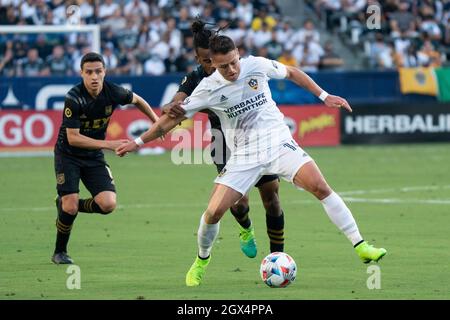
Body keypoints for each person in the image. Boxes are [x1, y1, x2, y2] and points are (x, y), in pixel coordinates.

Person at [116, 35, 387, 287]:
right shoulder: (208, 88)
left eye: (233, 62)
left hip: (279, 143)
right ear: (213, 64)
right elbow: (169, 121)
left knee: (320, 187)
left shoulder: (255, 65)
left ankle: (361, 246)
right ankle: (202, 259)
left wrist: (325, 96)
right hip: (243, 155)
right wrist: (137, 142)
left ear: (238, 55)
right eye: (223, 66)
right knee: (213, 213)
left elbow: (292, 72)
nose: (231, 70)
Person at [161, 20, 286, 258]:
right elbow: (175, 102)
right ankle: (246, 229)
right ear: (199, 59)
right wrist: (171, 108)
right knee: (238, 203)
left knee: (271, 196)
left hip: (257, 137)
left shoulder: (238, 68)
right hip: (223, 140)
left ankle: (277, 257)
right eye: (206, 61)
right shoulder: (196, 79)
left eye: (214, 59)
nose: (212, 65)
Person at [52, 52, 159, 264]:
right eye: (89, 72)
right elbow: (73, 138)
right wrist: (109, 144)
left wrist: (156, 121)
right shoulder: (73, 97)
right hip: (68, 155)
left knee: (108, 204)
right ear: (81, 73)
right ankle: (59, 252)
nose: (94, 77)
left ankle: (64, 204)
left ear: (105, 72)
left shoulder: (113, 91)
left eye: (98, 72)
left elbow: (137, 100)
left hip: (93, 156)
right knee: (70, 207)